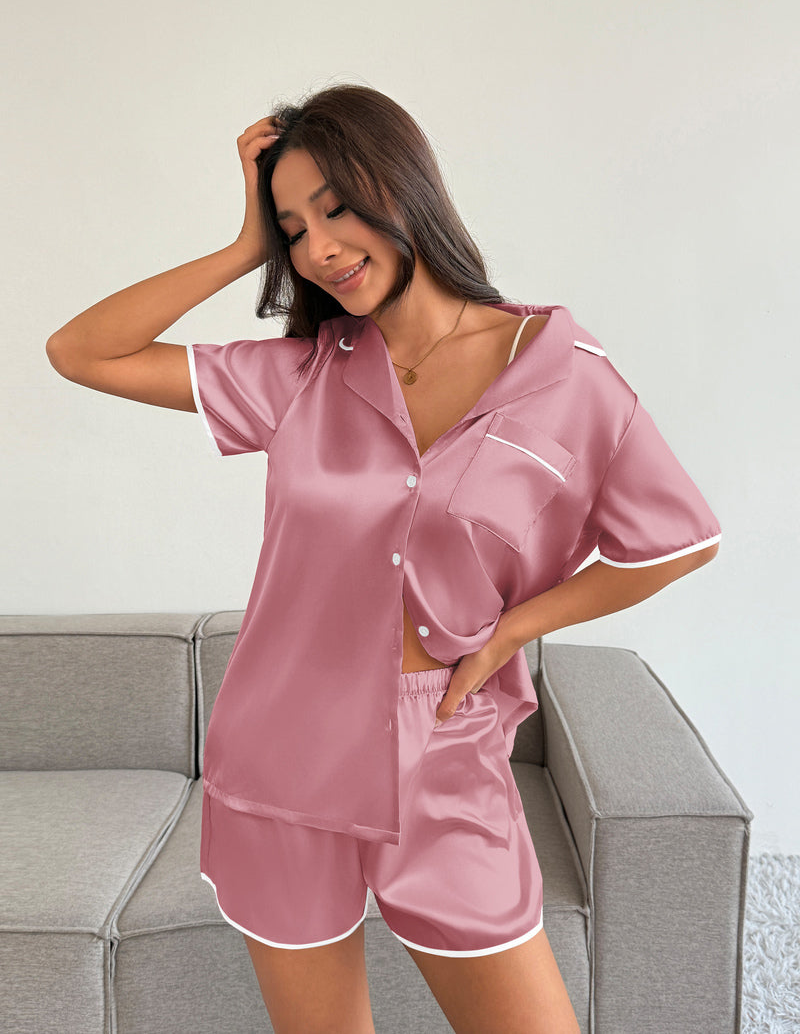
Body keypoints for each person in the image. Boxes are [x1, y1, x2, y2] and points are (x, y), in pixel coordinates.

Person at [46, 84, 721, 1034]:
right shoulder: (302, 377)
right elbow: (81, 351)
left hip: (444, 742)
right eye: (293, 228)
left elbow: (679, 538)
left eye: (335, 208)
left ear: (401, 186)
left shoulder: (563, 373)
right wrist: (244, 247)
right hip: (280, 749)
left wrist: (515, 630)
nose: (318, 248)